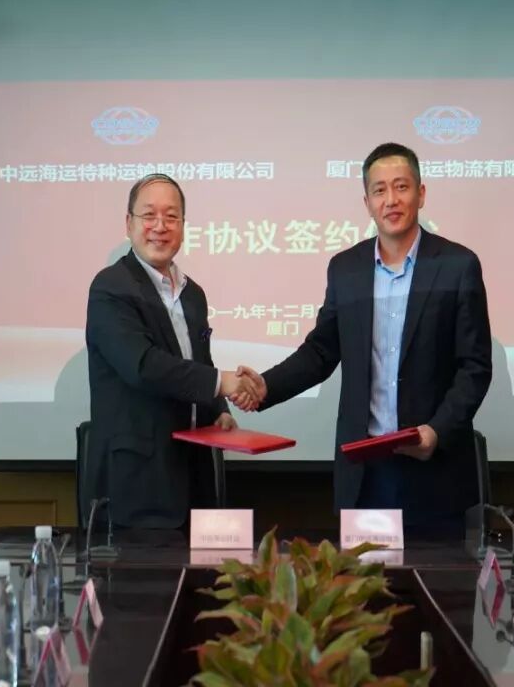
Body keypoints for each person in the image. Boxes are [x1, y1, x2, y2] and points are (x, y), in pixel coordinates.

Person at [235, 142, 493, 526]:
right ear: (367, 202)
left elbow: (475, 366)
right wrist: (265, 386)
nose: (391, 200)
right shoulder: (346, 269)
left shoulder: (458, 265)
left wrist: (437, 431)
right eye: (379, 190)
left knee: (437, 568)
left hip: (434, 468)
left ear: (421, 194)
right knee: (361, 569)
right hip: (364, 472)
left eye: (402, 187)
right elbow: (320, 351)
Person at [85, 173, 255, 528]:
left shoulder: (193, 294)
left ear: (182, 225)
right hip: (139, 483)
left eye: (171, 216)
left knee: (205, 566)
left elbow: (198, 361)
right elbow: (143, 366)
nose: (160, 226)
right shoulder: (110, 288)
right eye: (149, 215)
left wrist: (218, 410)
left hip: (195, 475)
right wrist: (222, 383)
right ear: (129, 223)